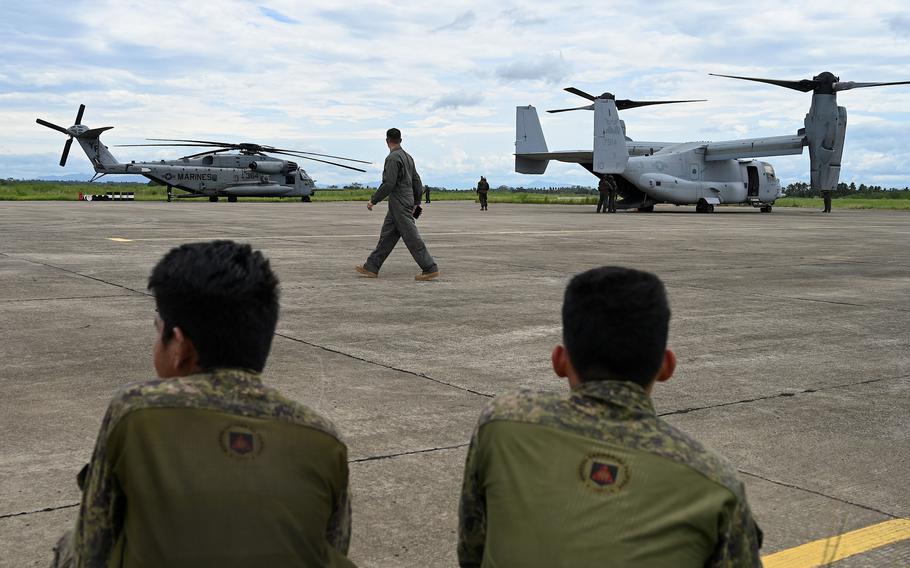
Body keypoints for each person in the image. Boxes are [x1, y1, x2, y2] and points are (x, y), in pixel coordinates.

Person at [52, 241, 354, 568]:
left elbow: (89, 553)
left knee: (67, 545)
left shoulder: (136, 412)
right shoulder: (323, 438)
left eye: (159, 332)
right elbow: (334, 545)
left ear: (179, 346)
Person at [458, 267, 763, 567]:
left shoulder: (502, 424)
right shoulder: (715, 484)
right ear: (667, 366)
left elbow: (472, 552)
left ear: (559, 361)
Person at [356, 128, 439, 281]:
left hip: (399, 204)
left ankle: (429, 267)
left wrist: (373, 200)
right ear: (400, 140)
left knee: (411, 236)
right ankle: (371, 267)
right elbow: (417, 181)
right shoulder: (408, 157)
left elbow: (389, 184)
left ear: (387, 141)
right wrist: (417, 202)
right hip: (402, 202)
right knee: (387, 236)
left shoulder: (393, 158)